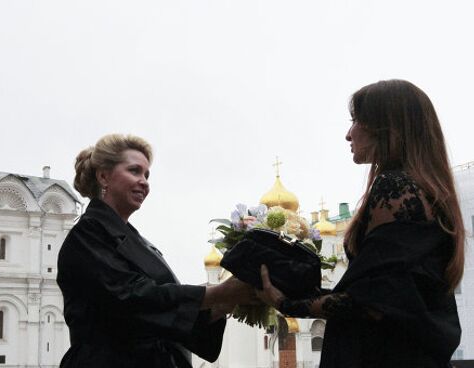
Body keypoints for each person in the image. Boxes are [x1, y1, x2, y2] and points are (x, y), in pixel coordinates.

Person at [257, 79, 464, 367]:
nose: (348, 134)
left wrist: (286, 303)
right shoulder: (429, 192)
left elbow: (373, 303)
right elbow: (390, 296)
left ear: (386, 128)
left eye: (357, 121)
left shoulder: (396, 189)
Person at [57, 134, 257, 368]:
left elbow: (162, 318)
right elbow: (131, 298)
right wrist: (218, 293)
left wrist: (220, 307)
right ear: (104, 176)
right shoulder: (87, 235)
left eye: (147, 174)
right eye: (134, 171)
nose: (144, 181)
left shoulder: (136, 240)